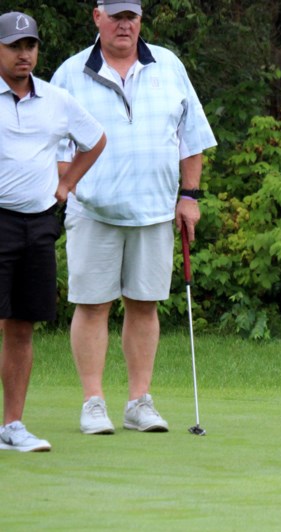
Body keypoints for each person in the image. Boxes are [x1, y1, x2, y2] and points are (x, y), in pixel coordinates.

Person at [51, 0, 216, 435]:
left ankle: (139, 402)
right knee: (92, 305)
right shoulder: (70, 73)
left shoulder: (168, 64)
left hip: (155, 210)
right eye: (117, 16)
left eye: (133, 17)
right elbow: (55, 148)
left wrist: (190, 196)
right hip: (93, 210)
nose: (125, 25)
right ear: (97, 17)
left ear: (141, 20)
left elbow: (191, 136)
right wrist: (63, 192)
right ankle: (93, 402)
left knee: (144, 306)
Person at [0, 11, 106, 453]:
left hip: (38, 225)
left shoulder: (56, 99)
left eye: (30, 46)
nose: (25, 54)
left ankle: (12, 426)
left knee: (22, 327)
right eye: (14, 46)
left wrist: (66, 184)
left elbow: (95, 139)